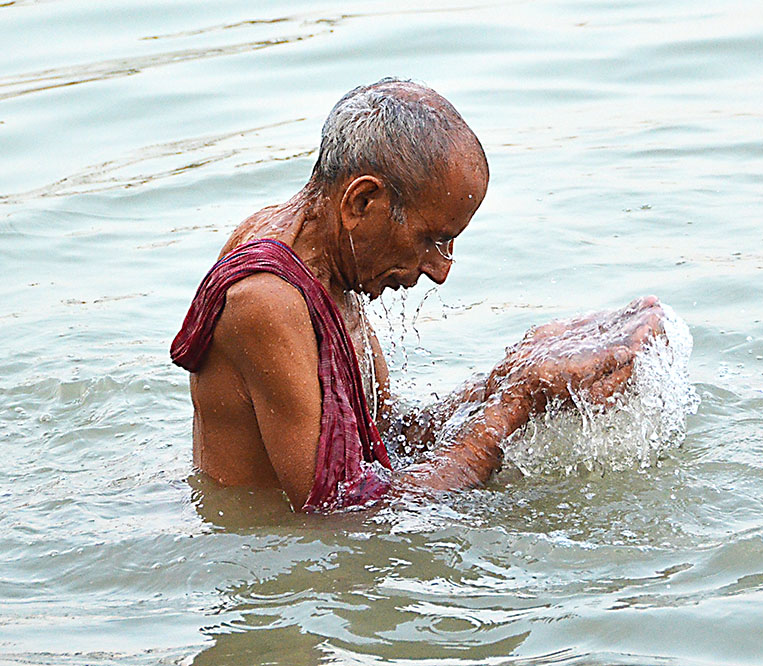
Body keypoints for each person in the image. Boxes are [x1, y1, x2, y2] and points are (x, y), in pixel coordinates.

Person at [171, 78, 665, 512]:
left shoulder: (326, 258)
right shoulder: (269, 298)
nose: (441, 270)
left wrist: (516, 374)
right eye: (433, 240)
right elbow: (342, 517)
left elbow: (384, 433)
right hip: (271, 570)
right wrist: (513, 405)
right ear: (362, 202)